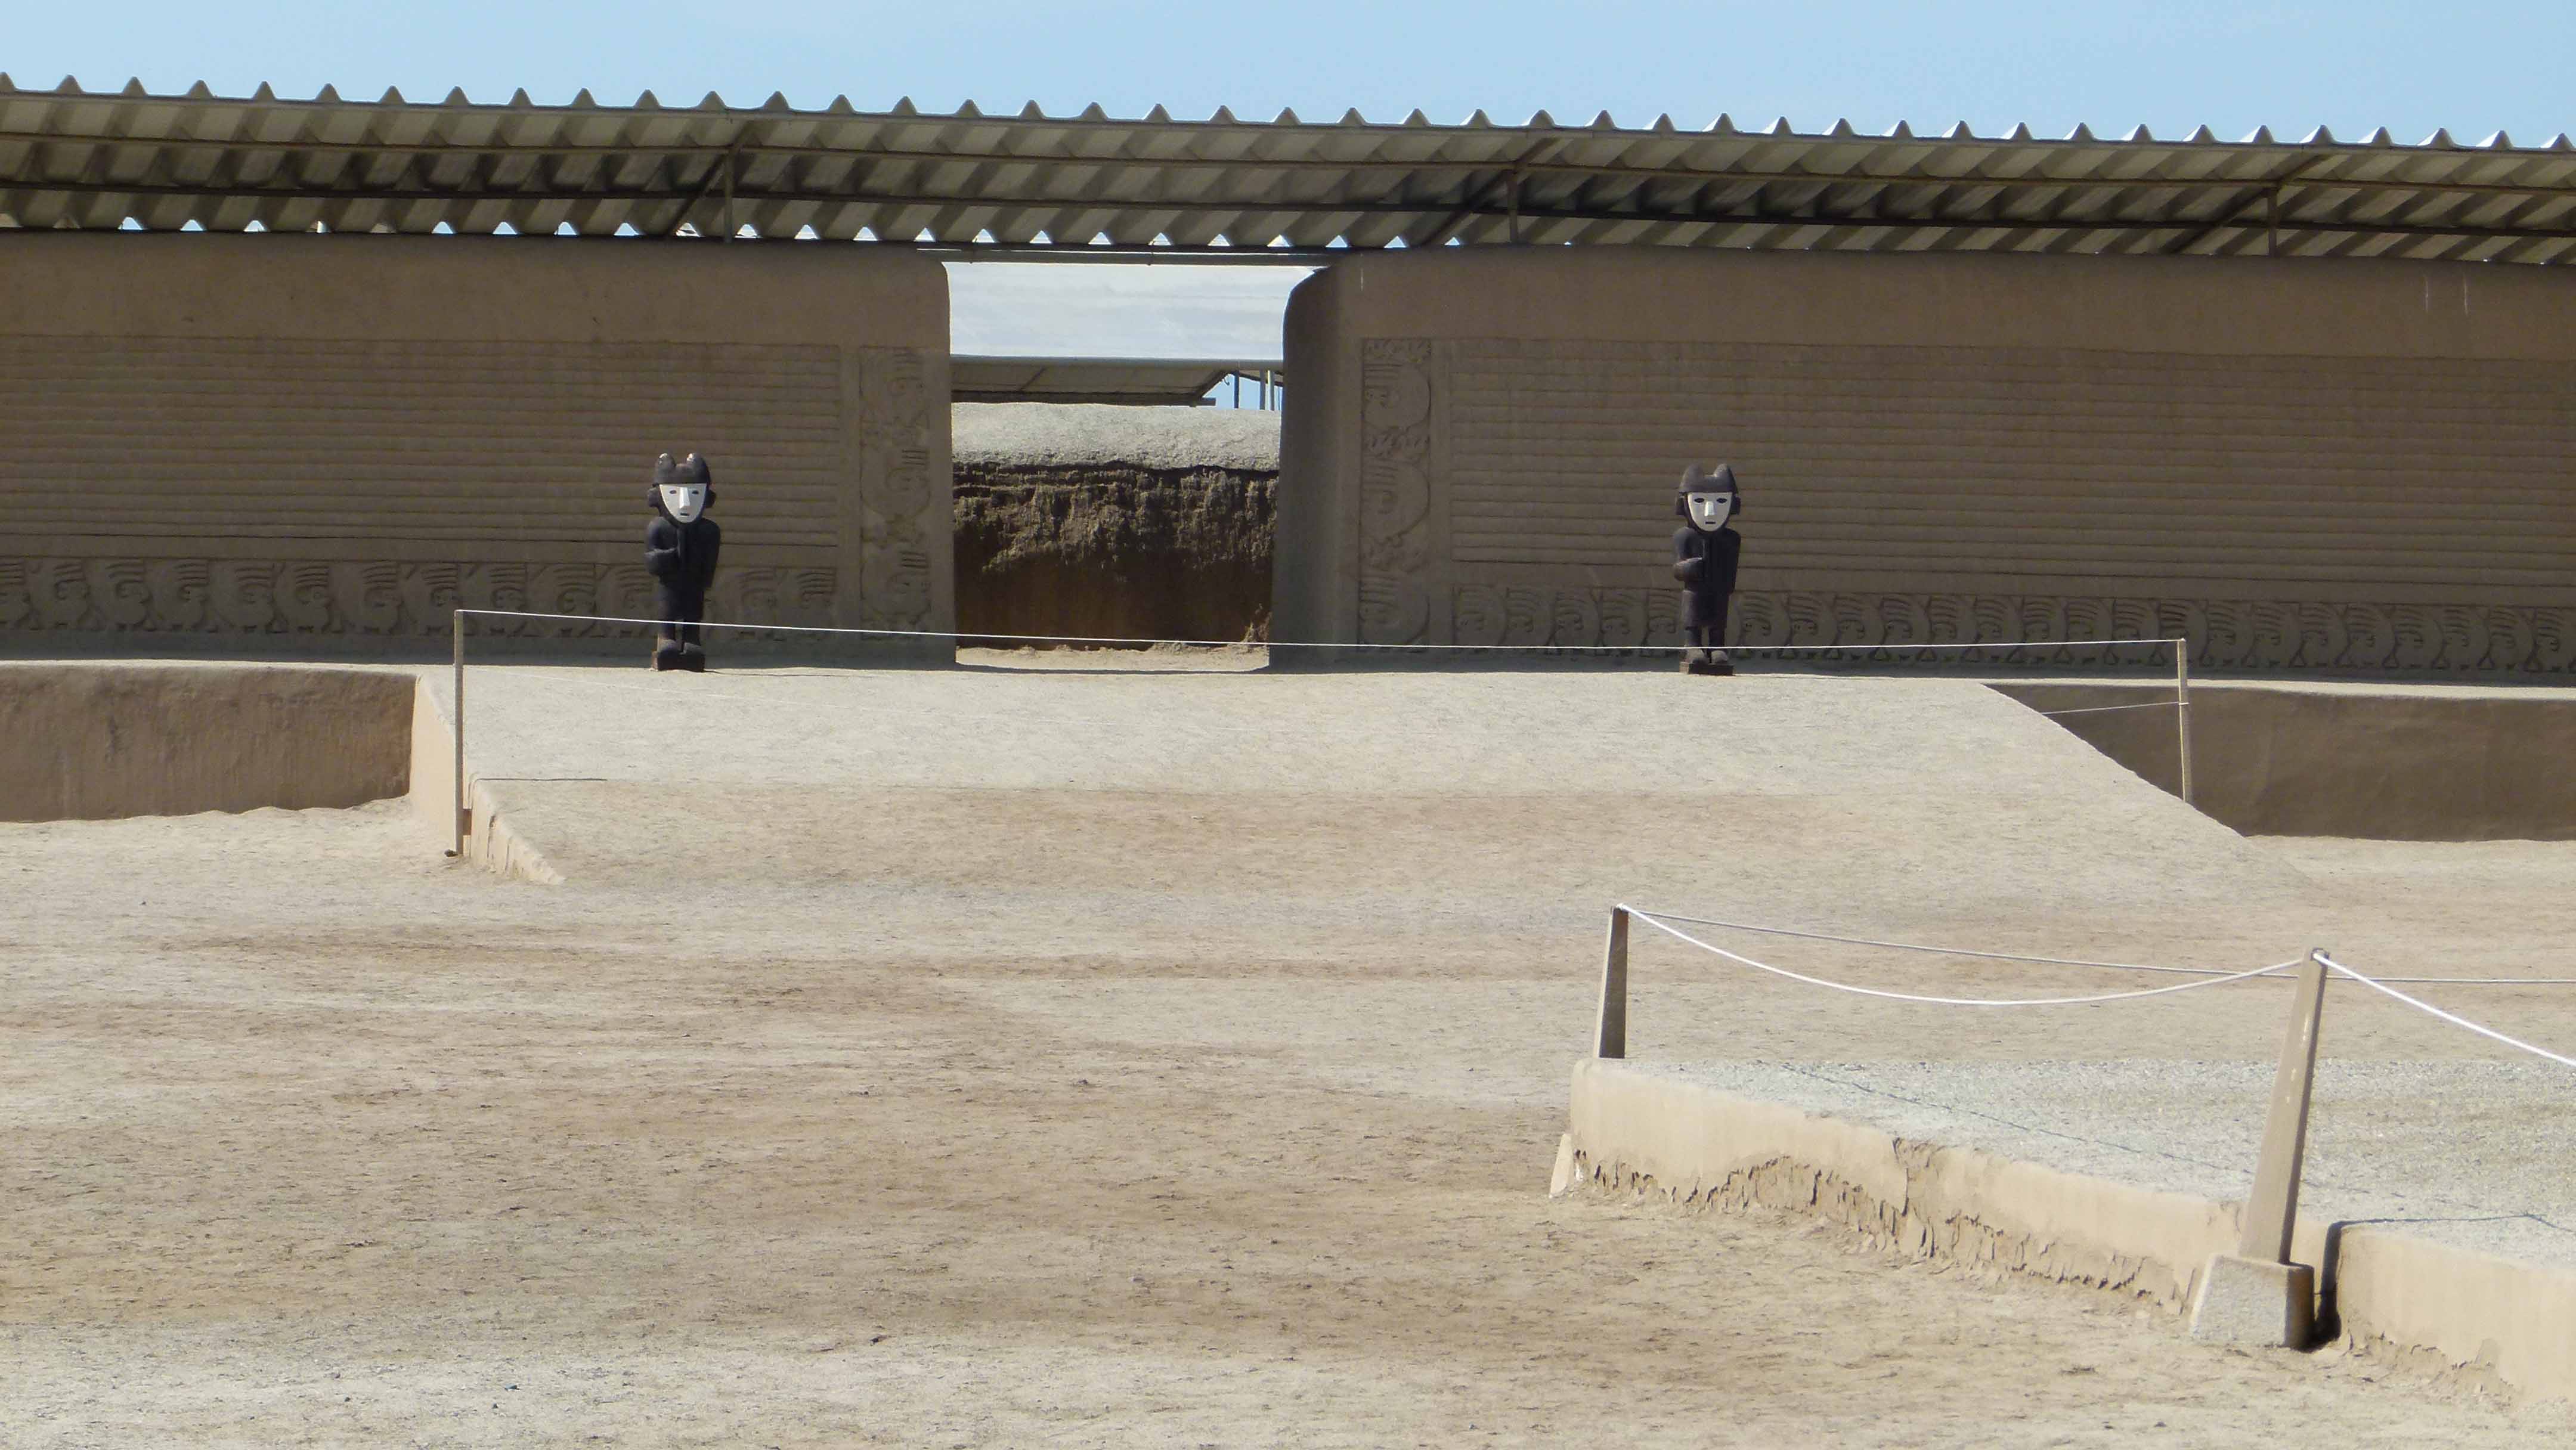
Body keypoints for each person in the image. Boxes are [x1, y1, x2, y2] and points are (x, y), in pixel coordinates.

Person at [645, 453, 722, 672]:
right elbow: (650, 560)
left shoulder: (709, 530)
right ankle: (666, 638)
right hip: (669, 582)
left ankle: (691, 637)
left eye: (695, 493)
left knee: (693, 610)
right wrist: (668, 557)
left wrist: (705, 577)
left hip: (694, 581)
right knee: (667, 608)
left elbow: (711, 561)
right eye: (673, 493)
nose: (685, 503)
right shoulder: (658, 527)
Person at [1670, 463, 1742, 676]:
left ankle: (1717, 645)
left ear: (1733, 505)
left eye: (1721, 502)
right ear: (1685, 504)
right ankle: (1692, 645)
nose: (1710, 511)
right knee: (1693, 605)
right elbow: (1677, 569)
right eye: (1700, 501)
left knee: (1719, 614)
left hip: (1719, 588)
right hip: (1695, 589)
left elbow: (1732, 571)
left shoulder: (1731, 539)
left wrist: (1725, 585)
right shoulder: (1684, 536)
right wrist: (1689, 567)